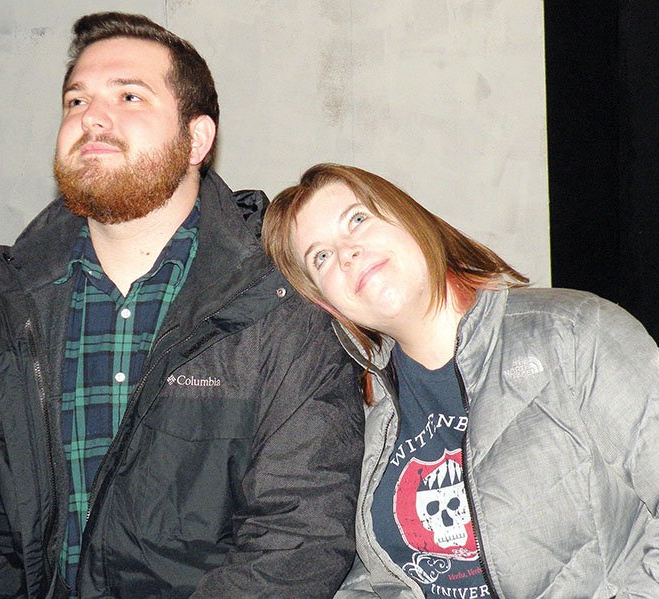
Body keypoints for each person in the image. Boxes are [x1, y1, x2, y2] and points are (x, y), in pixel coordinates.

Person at [0, 15, 364, 598]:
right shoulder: (6, 307)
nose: (91, 116)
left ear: (196, 140)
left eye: (129, 95)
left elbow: (297, 538)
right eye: (76, 100)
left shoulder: (279, 302)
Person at [262, 162, 659, 598]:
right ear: (329, 305)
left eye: (357, 219)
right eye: (321, 257)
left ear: (411, 218)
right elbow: (375, 583)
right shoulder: (363, 425)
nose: (347, 253)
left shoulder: (574, 333)